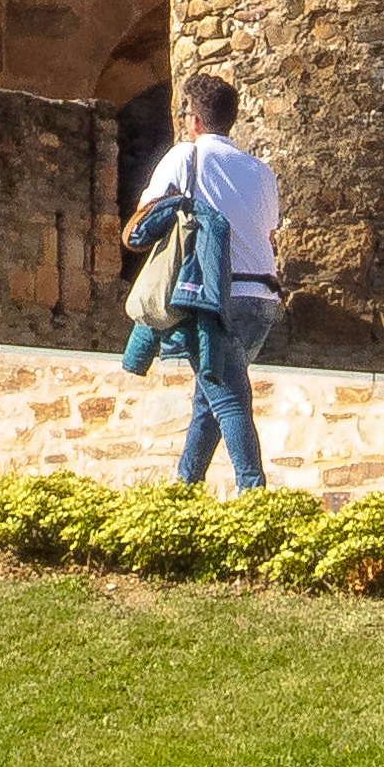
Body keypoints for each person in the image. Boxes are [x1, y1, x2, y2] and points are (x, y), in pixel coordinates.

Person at [122, 75, 282, 491]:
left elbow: (143, 220)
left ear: (192, 118)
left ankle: (254, 495)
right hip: (262, 297)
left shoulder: (185, 158)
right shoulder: (261, 172)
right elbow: (267, 233)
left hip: (214, 299)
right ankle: (185, 486)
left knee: (227, 397)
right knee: (209, 398)